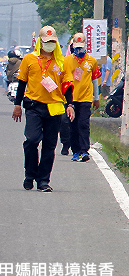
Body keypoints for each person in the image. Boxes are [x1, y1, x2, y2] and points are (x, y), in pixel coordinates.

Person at [12, 26, 74, 192]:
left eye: (53, 42)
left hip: (54, 107)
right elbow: (22, 82)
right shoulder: (29, 59)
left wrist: (70, 105)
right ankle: (30, 174)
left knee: (49, 145)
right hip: (34, 106)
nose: (49, 45)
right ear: (40, 41)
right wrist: (17, 105)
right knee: (31, 141)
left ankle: (43, 180)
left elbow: (67, 85)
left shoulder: (61, 61)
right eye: (46, 42)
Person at [62, 33, 100, 162]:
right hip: (71, 100)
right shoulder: (66, 61)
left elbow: (94, 80)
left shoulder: (91, 61)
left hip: (85, 98)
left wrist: (96, 98)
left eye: (81, 47)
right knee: (72, 125)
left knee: (83, 124)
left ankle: (84, 150)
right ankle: (76, 150)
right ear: (72, 46)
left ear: (85, 46)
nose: (79, 50)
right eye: (76, 47)